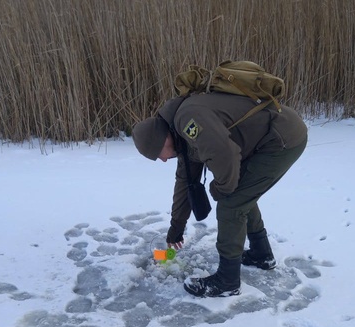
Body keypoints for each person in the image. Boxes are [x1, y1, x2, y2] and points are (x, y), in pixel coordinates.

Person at [132, 90, 308, 298]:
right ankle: (261, 255)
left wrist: (220, 189)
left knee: (232, 201)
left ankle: (227, 281)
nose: (162, 160)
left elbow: (225, 154)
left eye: (158, 155)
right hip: (269, 138)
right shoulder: (181, 136)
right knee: (241, 195)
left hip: (280, 139)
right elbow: (185, 182)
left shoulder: (188, 121)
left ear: (163, 140)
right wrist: (175, 229)